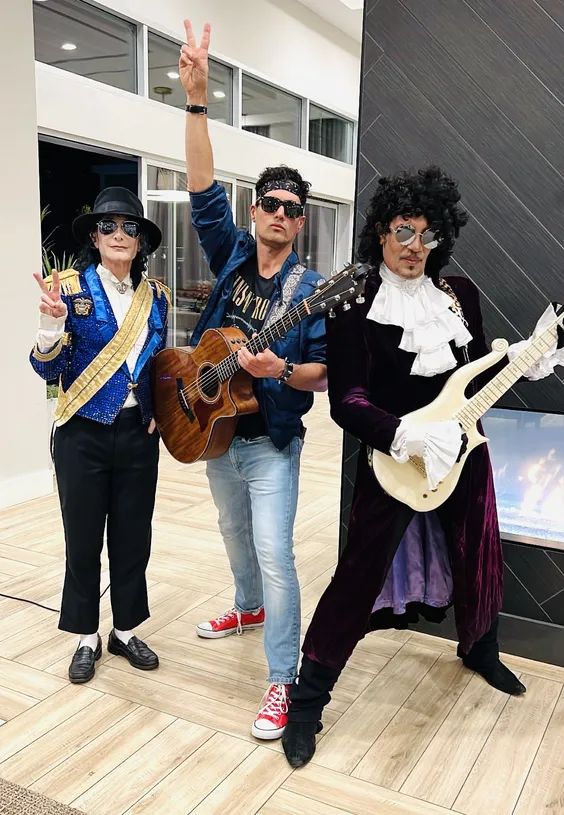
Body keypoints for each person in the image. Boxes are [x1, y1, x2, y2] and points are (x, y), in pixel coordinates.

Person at [281, 166, 564, 768]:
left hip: (464, 448)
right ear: (382, 233)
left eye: (428, 234)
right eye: (404, 232)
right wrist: (405, 434)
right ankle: (306, 704)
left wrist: (527, 358)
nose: (415, 246)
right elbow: (347, 401)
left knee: (479, 553)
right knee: (358, 573)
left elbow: (474, 377)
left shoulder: (459, 296)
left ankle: (480, 649)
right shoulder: (354, 304)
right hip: (396, 455)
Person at [179, 20, 327, 740]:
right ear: (256, 211)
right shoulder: (233, 254)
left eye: (292, 210)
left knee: (275, 553)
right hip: (216, 429)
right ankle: (246, 606)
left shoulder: (313, 289)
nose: (279, 215)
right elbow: (201, 187)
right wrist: (197, 100)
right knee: (232, 533)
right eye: (270, 204)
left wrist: (281, 369)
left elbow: (321, 375)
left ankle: (282, 680)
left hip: (271, 442)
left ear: (300, 224)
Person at [30, 187, 170, 684]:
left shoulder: (158, 297)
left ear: (140, 241)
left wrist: (159, 412)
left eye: (129, 227)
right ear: (94, 236)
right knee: (83, 538)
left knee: (134, 537)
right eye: (108, 226)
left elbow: (161, 365)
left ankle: (125, 630)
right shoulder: (69, 290)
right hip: (82, 435)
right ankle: (86, 636)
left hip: (138, 435)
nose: (118, 234)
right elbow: (48, 371)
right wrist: (50, 327)